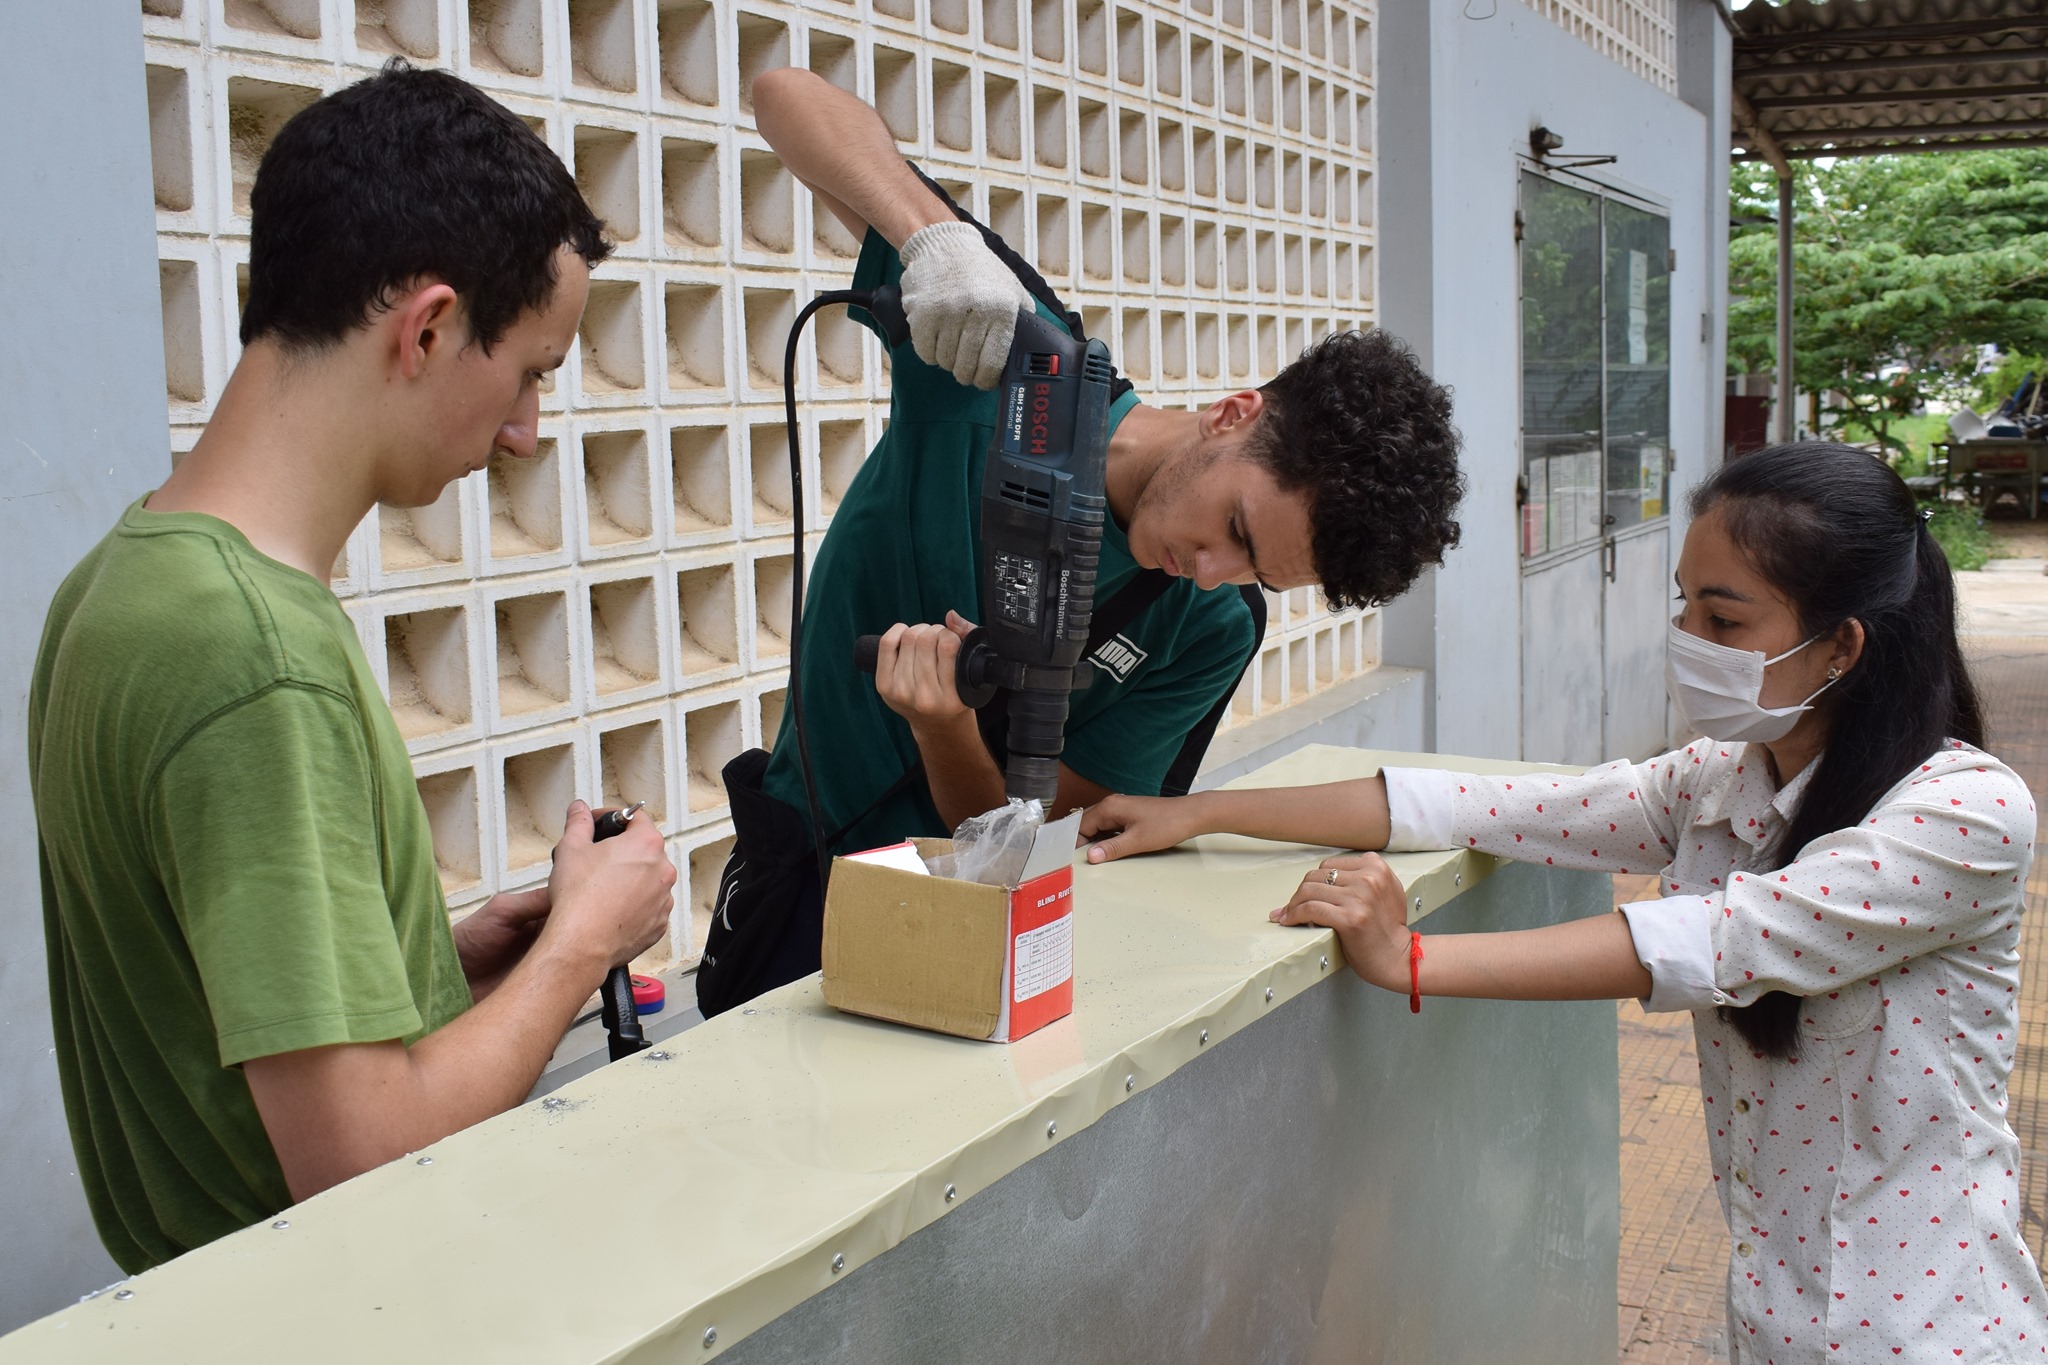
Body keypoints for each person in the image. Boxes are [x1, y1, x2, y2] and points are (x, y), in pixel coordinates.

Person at [1082, 442, 2045, 1361]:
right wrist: (1199, 811)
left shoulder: (1964, 812)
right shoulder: (1726, 781)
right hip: (1771, 1313)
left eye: (1724, 619)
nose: (1688, 643)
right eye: (1683, 609)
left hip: (1930, 1329)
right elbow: (1487, 805)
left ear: (1839, 646)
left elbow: (1713, 939)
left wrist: (1412, 959)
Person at [28, 64, 677, 1273]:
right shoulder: (254, 660)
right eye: (530, 369)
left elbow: (211, 1008)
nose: (528, 427)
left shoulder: (122, 581)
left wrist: (440, 963)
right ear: (427, 328)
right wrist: (585, 944)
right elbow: (358, 1166)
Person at [696, 66, 1467, 1013]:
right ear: (1232, 415)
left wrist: (944, 727)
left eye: (1254, 571)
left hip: (959, 920)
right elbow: (782, 96)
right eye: (1233, 529)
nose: (1212, 573)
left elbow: (1039, 830)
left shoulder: (1211, 628)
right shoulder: (1016, 372)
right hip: (797, 853)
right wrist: (929, 235)